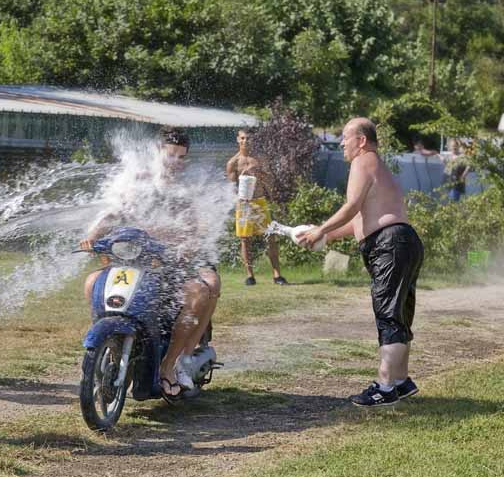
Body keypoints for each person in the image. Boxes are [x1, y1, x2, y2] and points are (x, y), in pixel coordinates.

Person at [81, 126, 220, 400]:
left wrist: (187, 246)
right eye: (171, 156)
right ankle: (111, 342)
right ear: (157, 152)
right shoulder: (140, 181)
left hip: (173, 260)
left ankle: (171, 365)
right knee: (92, 282)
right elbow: (114, 212)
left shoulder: (188, 189)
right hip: (136, 258)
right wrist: (92, 237)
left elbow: (196, 229)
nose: (176, 163)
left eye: (182, 158)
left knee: (202, 291)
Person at [299, 118, 424, 407]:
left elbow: (351, 206)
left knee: (388, 314)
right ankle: (401, 381)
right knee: (399, 315)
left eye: (345, 137)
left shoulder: (363, 161)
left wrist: (320, 229)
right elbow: (358, 220)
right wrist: (324, 235)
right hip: (403, 242)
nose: (342, 143)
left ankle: (384, 386)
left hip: (390, 244)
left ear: (362, 140)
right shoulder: (375, 167)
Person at [225, 129, 287, 286]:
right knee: (245, 240)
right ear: (238, 140)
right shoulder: (233, 163)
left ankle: (277, 275)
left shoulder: (259, 159)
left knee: (270, 237)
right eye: (243, 138)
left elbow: (270, 181)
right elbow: (231, 188)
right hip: (244, 203)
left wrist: (257, 172)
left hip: (259, 201)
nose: (246, 141)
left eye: (249, 138)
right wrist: (241, 177)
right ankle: (250, 275)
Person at [443, 138, 469, 202]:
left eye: (455, 145)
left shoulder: (462, 156)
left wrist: (463, 175)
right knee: (450, 202)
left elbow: (469, 165)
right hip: (448, 184)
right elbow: (447, 168)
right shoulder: (449, 156)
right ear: (449, 147)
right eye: (452, 146)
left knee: (453, 202)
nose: (453, 147)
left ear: (458, 146)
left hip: (457, 184)